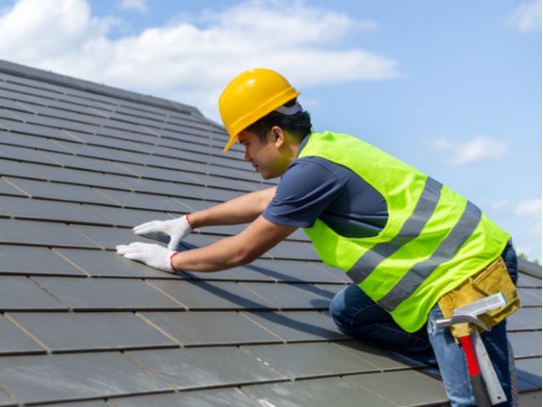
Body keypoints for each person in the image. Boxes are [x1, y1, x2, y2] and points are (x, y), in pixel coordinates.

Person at [116, 68, 520, 406]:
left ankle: (475, 363)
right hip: (442, 272)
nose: (245, 157)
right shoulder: (322, 153)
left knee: (479, 401)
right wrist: (190, 221)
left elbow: (243, 249)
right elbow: (267, 200)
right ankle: (457, 354)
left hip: (465, 279)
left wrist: (171, 261)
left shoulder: (313, 171)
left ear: (275, 135)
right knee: (349, 311)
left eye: (246, 144)